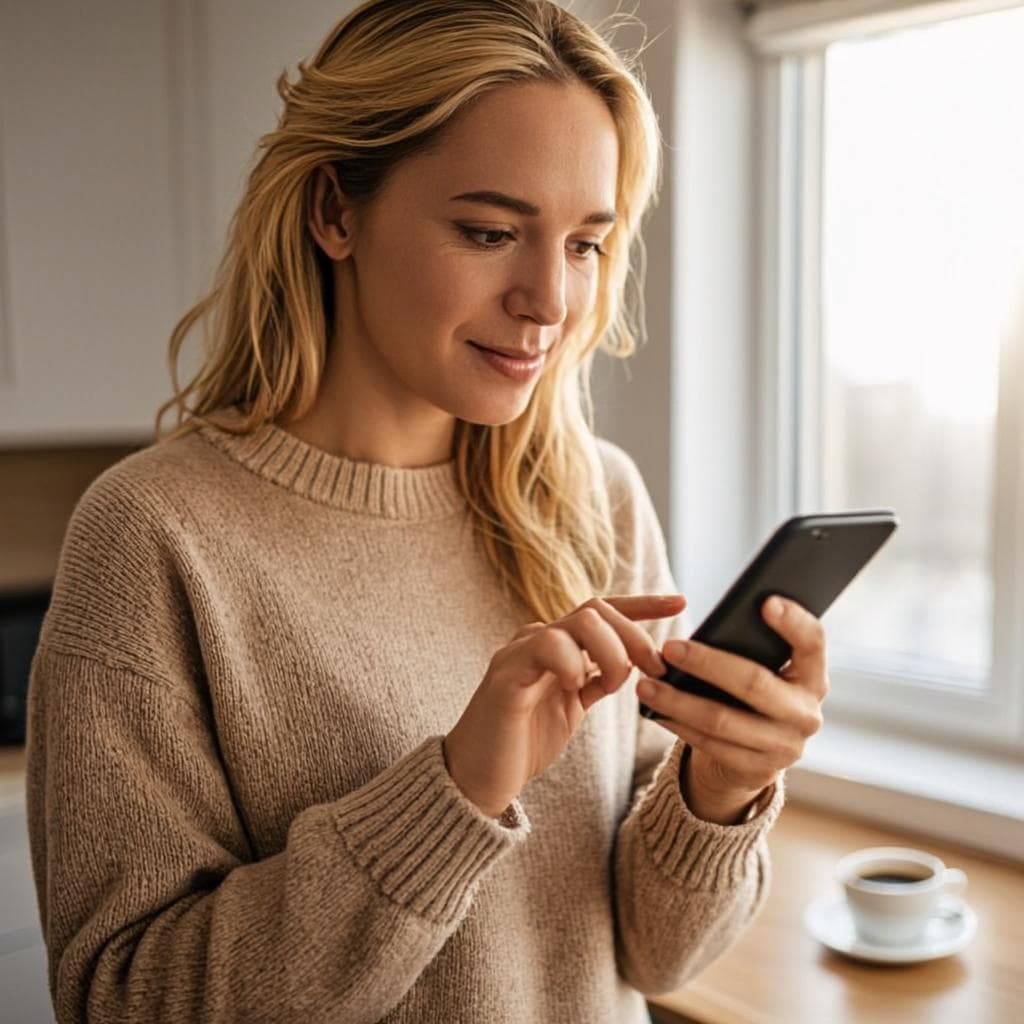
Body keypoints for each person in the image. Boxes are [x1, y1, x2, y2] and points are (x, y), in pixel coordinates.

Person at [25, 1, 828, 1021]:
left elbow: (655, 954)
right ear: (334, 212)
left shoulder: (594, 498)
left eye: (584, 244)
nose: (547, 297)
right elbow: (121, 999)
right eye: (490, 231)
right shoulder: (156, 536)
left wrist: (717, 793)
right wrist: (451, 794)